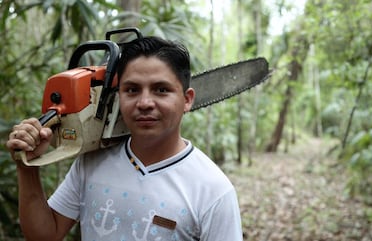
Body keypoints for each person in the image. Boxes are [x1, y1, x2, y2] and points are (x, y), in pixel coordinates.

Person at [6, 36, 243, 241]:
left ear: (187, 99)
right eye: (132, 90)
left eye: (161, 89)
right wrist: (27, 166)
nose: (145, 103)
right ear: (118, 97)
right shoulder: (91, 163)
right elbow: (44, 236)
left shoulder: (213, 190)